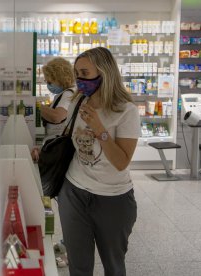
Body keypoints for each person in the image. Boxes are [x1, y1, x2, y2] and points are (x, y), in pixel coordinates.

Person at [58, 47, 139, 276]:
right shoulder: (77, 101)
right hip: (73, 192)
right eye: (77, 74)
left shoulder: (126, 110)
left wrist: (99, 129)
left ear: (105, 72)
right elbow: (70, 140)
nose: (79, 80)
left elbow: (121, 162)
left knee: (113, 266)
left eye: (84, 72)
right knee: (79, 265)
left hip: (113, 199)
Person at [31, 57, 75, 162]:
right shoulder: (65, 93)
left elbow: (57, 117)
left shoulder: (68, 94)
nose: (48, 85)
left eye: (50, 82)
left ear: (60, 78)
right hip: (55, 147)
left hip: (58, 150)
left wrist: (36, 105)